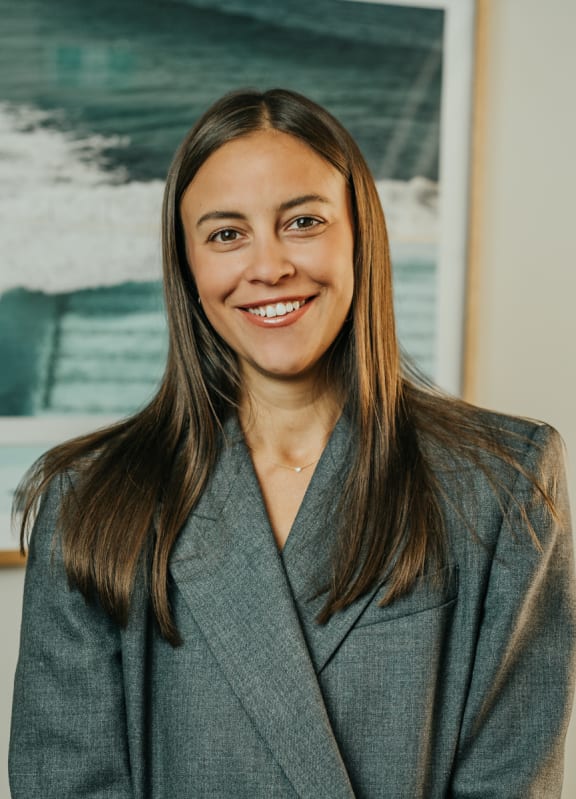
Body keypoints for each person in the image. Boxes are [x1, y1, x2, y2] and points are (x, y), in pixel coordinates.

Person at [9, 88, 576, 799]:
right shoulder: (91, 497)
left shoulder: (502, 480)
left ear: (359, 234)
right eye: (225, 234)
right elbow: (66, 782)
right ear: (186, 267)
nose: (269, 265)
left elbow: (510, 777)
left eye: (303, 221)